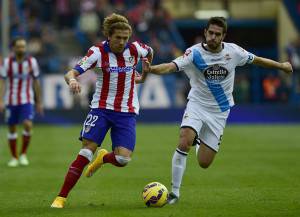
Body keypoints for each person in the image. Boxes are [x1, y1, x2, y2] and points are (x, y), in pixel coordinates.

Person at [140, 17, 293, 204]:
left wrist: (282, 66)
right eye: (210, 33)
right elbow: (171, 66)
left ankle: (198, 139)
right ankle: (175, 193)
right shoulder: (193, 53)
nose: (213, 37)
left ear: (223, 36)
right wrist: (152, 69)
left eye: (217, 34)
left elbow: (258, 61)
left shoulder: (234, 51)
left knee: (204, 163)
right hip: (197, 104)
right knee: (184, 141)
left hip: (219, 111)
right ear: (205, 32)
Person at [51, 13, 153, 208]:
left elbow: (150, 52)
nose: (122, 42)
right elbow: (70, 72)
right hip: (101, 109)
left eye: (125, 38)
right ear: (109, 35)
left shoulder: (135, 49)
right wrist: (72, 80)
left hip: (127, 110)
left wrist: (145, 73)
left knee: (123, 159)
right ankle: (61, 197)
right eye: (118, 38)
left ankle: (103, 158)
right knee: (85, 152)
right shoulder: (97, 52)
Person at [0, 37, 43, 167]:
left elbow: (36, 82)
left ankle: (23, 154)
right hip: (10, 100)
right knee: (12, 128)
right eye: (19, 46)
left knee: (28, 124)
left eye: (23, 46)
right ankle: (14, 157)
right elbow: (2, 81)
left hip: (27, 99)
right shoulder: (7, 63)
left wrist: (39, 101)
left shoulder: (31, 62)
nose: (21, 49)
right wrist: (1, 99)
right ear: (13, 48)